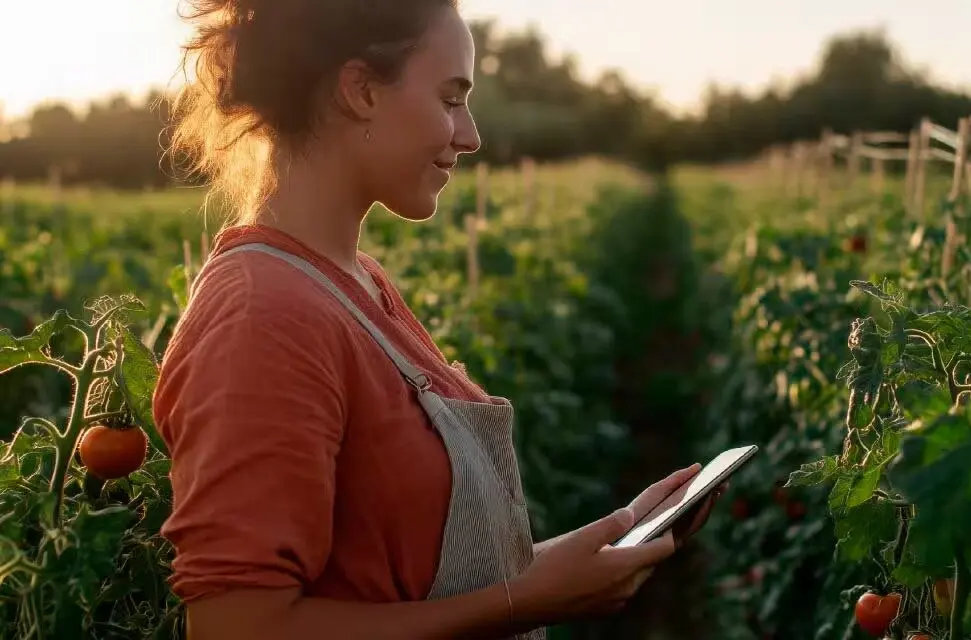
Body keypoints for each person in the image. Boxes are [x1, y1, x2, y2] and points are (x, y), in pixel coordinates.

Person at [154, 1, 727, 639]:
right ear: (361, 90)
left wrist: (602, 543)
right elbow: (239, 628)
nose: (470, 134)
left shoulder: (355, 286)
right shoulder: (264, 314)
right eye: (451, 99)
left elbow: (402, 579)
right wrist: (522, 603)